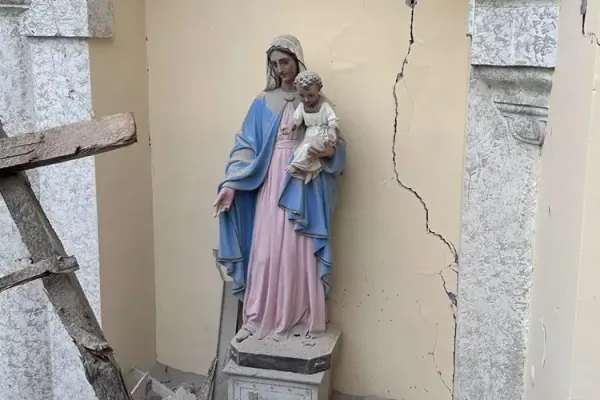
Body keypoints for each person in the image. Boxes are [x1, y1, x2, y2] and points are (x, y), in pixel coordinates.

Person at [214, 34, 346, 341]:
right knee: (265, 251)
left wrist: (327, 151)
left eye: (284, 61)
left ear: (297, 60)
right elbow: (246, 145)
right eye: (274, 63)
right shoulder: (262, 102)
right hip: (272, 179)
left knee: (297, 252)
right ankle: (258, 316)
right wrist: (232, 184)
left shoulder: (317, 101)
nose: (280, 69)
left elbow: (337, 144)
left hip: (304, 182)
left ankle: (301, 316)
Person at [282, 70, 339, 184]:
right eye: (302, 95)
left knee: (309, 149)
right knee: (300, 150)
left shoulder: (324, 105)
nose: (306, 99)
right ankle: (308, 172)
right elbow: (297, 118)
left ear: (318, 91)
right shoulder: (302, 107)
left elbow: (332, 119)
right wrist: (290, 127)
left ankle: (295, 165)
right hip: (310, 134)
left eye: (310, 95)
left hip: (322, 134)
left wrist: (332, 129)